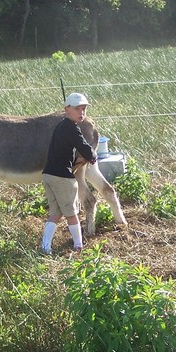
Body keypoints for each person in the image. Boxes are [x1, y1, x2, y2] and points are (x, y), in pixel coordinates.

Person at [40, 92, 98, 255]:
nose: (82, 113)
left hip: (48, 175)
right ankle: (79, 246)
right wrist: (92, 157)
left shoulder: (60, 126)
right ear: (67, 109)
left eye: (84, 109)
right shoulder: (71, 128)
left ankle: (45, 247)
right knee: (72, 213)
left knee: (55, 214)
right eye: (78, 109)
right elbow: (84, 147)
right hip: (62, 177)